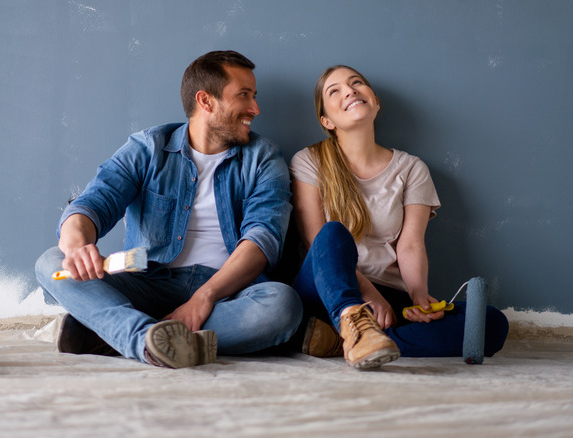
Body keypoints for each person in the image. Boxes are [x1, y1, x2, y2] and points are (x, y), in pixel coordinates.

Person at [35, 50, 302, 369]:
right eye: (244, 96)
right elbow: (93, 202)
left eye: (254, 96)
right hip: (146, 280)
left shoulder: (264, 158)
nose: (255, 108)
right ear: (206, 101)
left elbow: (263, 239)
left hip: (228, 292)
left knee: (283, 306)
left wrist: (204, 297)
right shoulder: (148, 148)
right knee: (52, 262)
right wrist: (77, 246)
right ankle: (145, 340)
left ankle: (114, 334)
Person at [289, 65, 508, 369]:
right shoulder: (309, 161)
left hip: (391, 299)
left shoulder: (411, 169)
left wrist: (419, 297)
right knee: (333, 233)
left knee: (491, 323)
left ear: (375, 102)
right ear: (326, 120)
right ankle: (354, 325)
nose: (350, 91)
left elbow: (410, 245)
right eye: (334, 90)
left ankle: (346, 341)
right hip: (328, 292)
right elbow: (315, 241)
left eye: (357, 84)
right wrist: (366, 294)